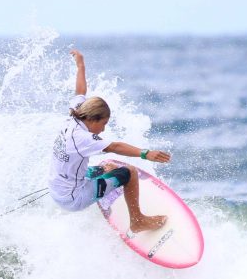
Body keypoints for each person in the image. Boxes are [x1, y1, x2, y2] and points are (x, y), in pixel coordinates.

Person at [48, 49, 171, 235]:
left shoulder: (75, 114)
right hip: (73, 199)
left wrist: (80, 65)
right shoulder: (83, 138)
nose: (103, 129)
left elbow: (80, 91)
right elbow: (115, 146)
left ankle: (104, 189)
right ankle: (138, 221)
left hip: (57, 188)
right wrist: (146, 153)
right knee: (129, 172)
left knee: (108, 166)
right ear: (93, 119)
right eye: (103, 124)